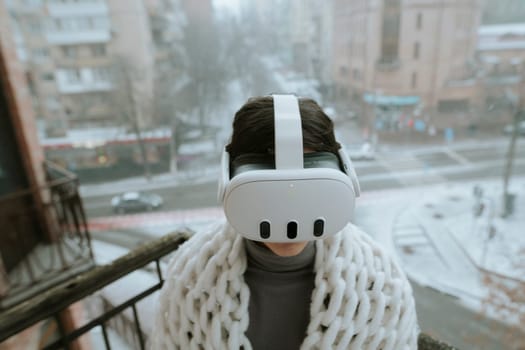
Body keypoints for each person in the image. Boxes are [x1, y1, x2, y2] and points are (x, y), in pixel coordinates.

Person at [151, 96, 419, 349]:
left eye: (307, 189)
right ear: (229, 180)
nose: (289, 219)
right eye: (268, 192)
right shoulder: (191, 280)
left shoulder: (380, 285)